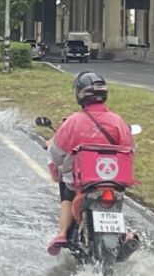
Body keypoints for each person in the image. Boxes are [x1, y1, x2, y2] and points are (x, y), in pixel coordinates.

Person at [46, 71, 135, 256]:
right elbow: (130, 149)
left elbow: (56, 154)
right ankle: (123, 233)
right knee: (117, 203)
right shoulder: (117, 121)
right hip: (114, 181)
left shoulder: (73, 122)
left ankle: (62, 233)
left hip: (83, 183)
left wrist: (57, 166)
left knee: (66, 190)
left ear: (79, 94)